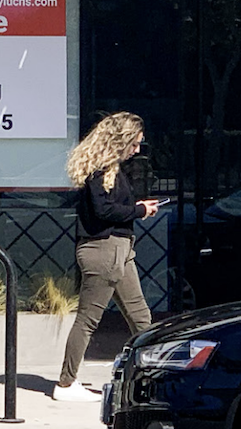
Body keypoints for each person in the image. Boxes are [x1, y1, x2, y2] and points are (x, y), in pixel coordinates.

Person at [53, 111, 161, 402]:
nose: (137, 150)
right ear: (120, 140)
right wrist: (140, 210)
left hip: (119, 248)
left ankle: (154, 378)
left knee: (141, 317)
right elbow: (104, 212)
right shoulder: (101, 169)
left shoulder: (108, 168)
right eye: (135, 143)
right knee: (88, 319)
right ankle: (65, 383)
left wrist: (136, 206)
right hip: (104, 249)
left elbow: (109, 208)